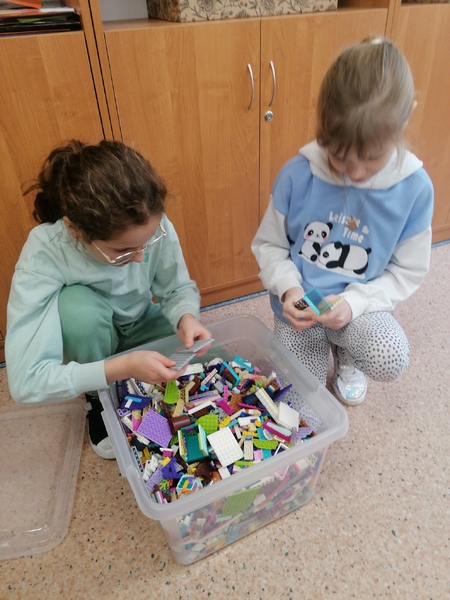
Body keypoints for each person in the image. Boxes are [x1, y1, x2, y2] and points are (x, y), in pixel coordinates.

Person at [251, 37, 434, 406]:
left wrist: (355, 302)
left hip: (360, 307)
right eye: (338, 156)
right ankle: (319, 351)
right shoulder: (297, 175)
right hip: (302, 308)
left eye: (372, 157)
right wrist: (288, 289)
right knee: (296, 400)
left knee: (390, 354)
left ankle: (346, 356)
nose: (356, 172)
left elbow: (407, 271)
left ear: (406, 119)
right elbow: (270, 245)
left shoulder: (414, 189)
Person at [5, 140, 211, 458]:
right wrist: (120, 367)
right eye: (122, 251)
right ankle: (98, 399)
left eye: (146, 243)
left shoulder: (150, 222)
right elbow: (26, 381)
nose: (140, 258)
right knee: (76, 309)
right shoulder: (45, 250)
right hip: (90, 339)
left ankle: (127, 382)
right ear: (74, 229)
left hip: (140, 323)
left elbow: (175, 289)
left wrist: (186, 316)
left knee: (214, 364)